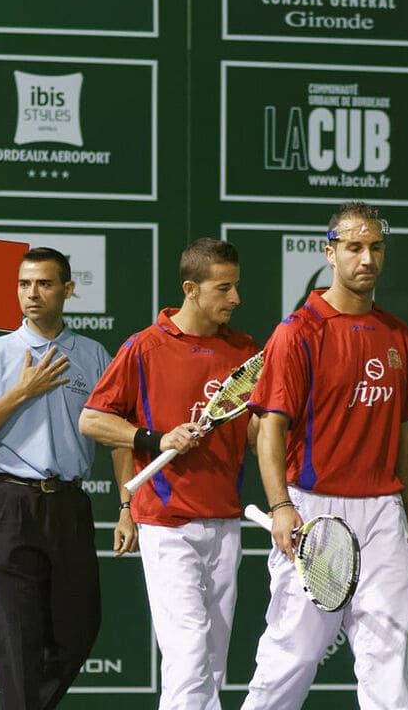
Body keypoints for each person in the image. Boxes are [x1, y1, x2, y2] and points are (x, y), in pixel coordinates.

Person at [241, 201, 408, 710]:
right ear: (330, 252)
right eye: (354, 247)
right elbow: (269, 430)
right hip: (314, 510)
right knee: (292, 653)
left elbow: (402, 429)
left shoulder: (396, 334)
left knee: (387, 655)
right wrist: (281, 506)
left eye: (375, 248)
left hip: (383, 511)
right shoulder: (298, 332)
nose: (367, 259)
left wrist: (402, 506)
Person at [79, 237, 259, 710]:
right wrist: (156, 439)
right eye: (224, 288)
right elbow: (93, 420)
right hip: (165, 522)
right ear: (191, 289)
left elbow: (259, 430)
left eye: (236, 287)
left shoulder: (245, 349)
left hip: (225, 520)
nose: (236, 299)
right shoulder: (145, 346)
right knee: (189, 657)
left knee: (212, 663)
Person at [0, 247, 117, 710]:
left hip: (69, 505)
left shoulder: (93, 354)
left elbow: (118, 435)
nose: (32, 294)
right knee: (15, 635)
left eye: (43, 283)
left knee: (80, 626)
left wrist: (127, 506)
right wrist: (20, 393)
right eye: (24, 284)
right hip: (11, 503)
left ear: (68, 289)